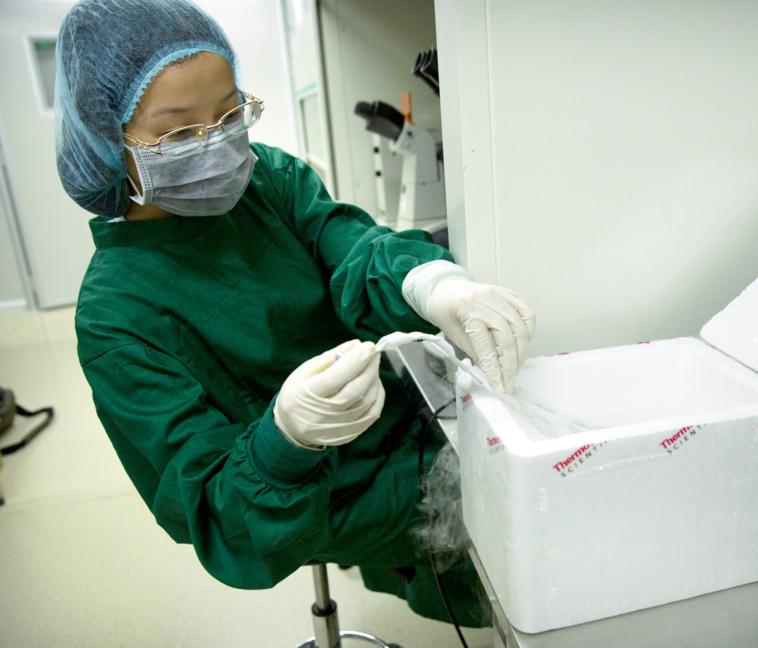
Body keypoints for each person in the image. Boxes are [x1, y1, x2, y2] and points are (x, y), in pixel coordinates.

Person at [54, 0, 535, 627]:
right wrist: (287, 440)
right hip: (314, 495)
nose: (216, 146)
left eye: (230, 114)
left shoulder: (267, 181)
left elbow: (346, 245)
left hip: (399, 416)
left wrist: (430, 283)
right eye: (178, 134)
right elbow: (215, 510)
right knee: (507, 534)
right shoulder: (115, 316)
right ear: (105, 142)